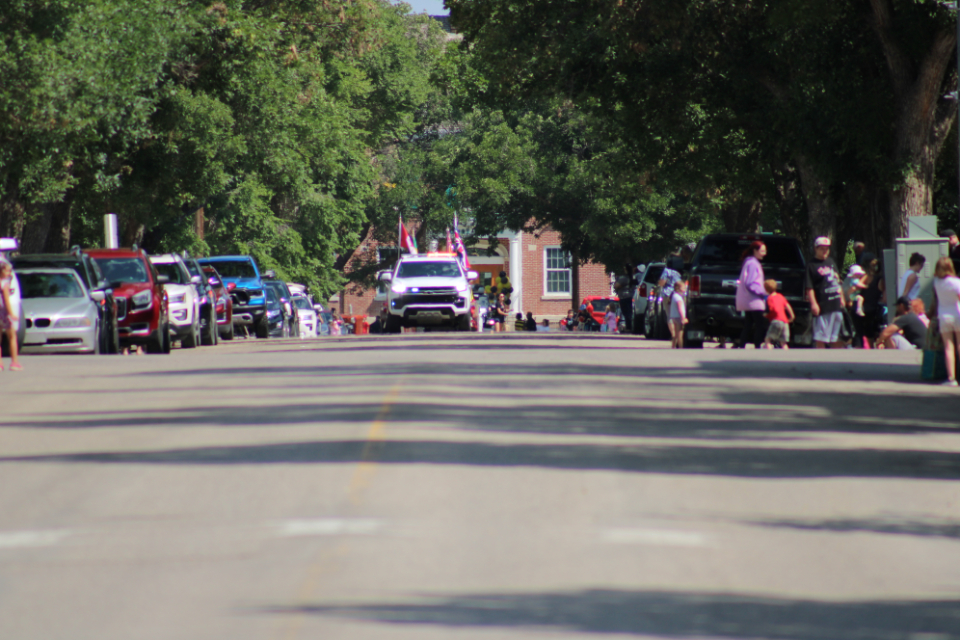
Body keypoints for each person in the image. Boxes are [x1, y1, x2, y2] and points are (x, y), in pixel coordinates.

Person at [806, 237, 846, 348]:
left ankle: (835, 358)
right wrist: (813, 304)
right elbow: (809, 287)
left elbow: (838, 281)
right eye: (822, 249)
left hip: (836, 304)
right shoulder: (811, 265)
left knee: (836, 338)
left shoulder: (831, 262)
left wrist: (842, 298)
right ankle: (822, 358)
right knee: (821, 337)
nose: (825, 251)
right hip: (823, 306)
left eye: (827, 249)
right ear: (816, 249)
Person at [932, 256, 960, 386]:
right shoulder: (956, 282)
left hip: (943, 316)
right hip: (957, 314)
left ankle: (951, 378)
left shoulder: (936, 282)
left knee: (949, 347)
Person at [736, 241, 768, 348]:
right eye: (762, 251)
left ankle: (742, 346)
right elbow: (750, 283)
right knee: (760, 324)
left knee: (748, 324)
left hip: (748, 300)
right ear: (755, 251)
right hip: (754, 300)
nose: (764, 253)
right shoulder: (753, 264)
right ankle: (757, 346)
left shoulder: (748, 262)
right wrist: (763, 292)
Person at [859, 257, 886, 348]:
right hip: (875, 309)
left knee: (867, 333)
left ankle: (869, 349)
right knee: (876, 332)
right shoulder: (881, 280)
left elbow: (857, 286)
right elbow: (884, 298)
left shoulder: (866, 277)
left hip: (864, 308)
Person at [0, 261, 22, 371]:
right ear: (2, 271)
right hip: (3, 312)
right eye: (8, 271)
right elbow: (6, 300)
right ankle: (14, 362)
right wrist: (11, 314)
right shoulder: (5, 284)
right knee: (12, 336)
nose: (9, 273)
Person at [763, 279, 795, 350]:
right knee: (783, 343)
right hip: (785, 322)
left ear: (766, 290)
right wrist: (792, 316)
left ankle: (769, 353)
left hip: (776, 321)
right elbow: (788, 306)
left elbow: (773, 310)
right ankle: (786, 354)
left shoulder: (770, 298)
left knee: (768, 340)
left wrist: (767, 316)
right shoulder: (781, 296)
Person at [668, 280, 687, 348]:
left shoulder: (674, 295)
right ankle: (680, 347)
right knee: (680, 334)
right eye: (683, 287)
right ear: (677, 288)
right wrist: (683, 318)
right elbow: (680, 308)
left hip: (673, 317)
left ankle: (673, 347)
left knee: (675, 335)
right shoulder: (678, 297)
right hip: (678, 317)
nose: (685, 289)